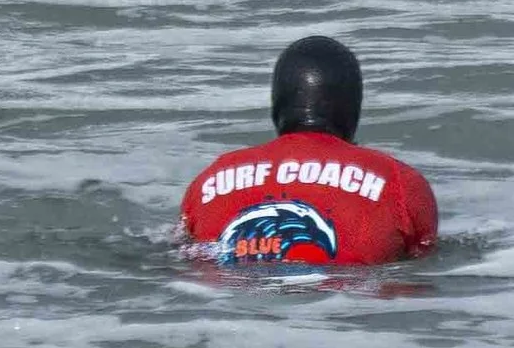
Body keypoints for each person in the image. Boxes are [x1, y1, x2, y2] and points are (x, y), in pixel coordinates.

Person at [181, 35, 438, 267]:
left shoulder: (208, 181)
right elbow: (422, 274)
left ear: (277, 104)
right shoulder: (399, 183)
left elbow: (182, 257)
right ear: (353, 109)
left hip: (227, 311)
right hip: (345, 310)